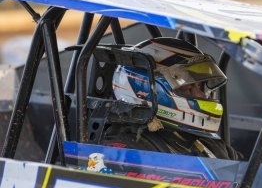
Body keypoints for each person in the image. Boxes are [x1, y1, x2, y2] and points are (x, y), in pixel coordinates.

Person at [100, 37, 242, 160]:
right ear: (148, 89)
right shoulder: (128, 149)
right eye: (188, 88)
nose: (201, 95)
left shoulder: (211, 144)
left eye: (199, 87)